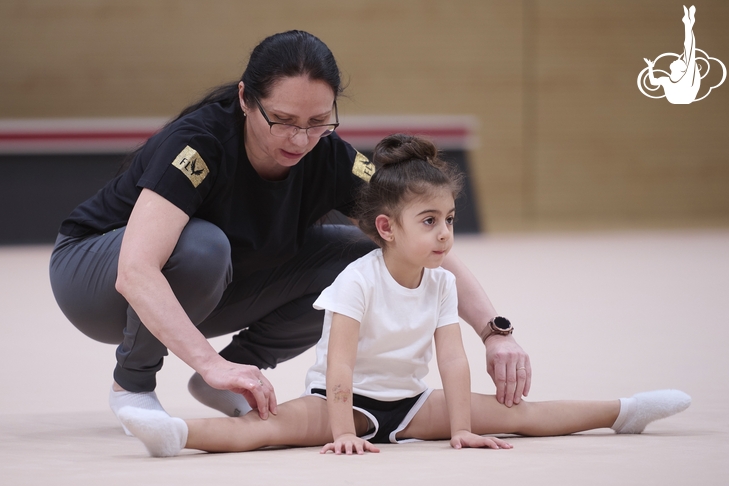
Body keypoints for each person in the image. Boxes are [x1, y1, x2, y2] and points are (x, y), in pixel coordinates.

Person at [49, 30, 531, 433]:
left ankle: (240, 372)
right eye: (281, 121)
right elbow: (136, 270)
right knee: (202, 247)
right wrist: (207, 361)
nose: (300, 139)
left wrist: (494, 333)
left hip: (210, 285)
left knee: (362, 257)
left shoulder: (330, 156)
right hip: (94, 279)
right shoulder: (199, 144)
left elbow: (421, 241)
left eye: (318, 122)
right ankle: (132, 384)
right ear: (244, 98)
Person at [115, 134, 691, 457]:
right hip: (340, 403)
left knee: (525, 416)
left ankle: (624, 411)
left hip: (412, 407)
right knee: (260, 432)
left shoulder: (440, 282)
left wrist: (462, 426)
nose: (445, 234)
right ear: (388, 227)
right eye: (430, 221)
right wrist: (342, 431)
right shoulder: (355, 279)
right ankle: (175, 434)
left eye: (450, 219)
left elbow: (452, 360)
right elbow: (338, 366)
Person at [644, 5, 700, 104]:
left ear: (681, 69)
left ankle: (688, 23)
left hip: (684, 96)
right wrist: (650, 67)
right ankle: (688, 23)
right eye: (679, 60)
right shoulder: (669, 79)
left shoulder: (682, 78)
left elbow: (689, 49)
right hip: (682, 97)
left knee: (689, 51)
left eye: (678, 61)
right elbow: (652, 82)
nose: (676, 59)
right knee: (689, 52)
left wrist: (650, 67)